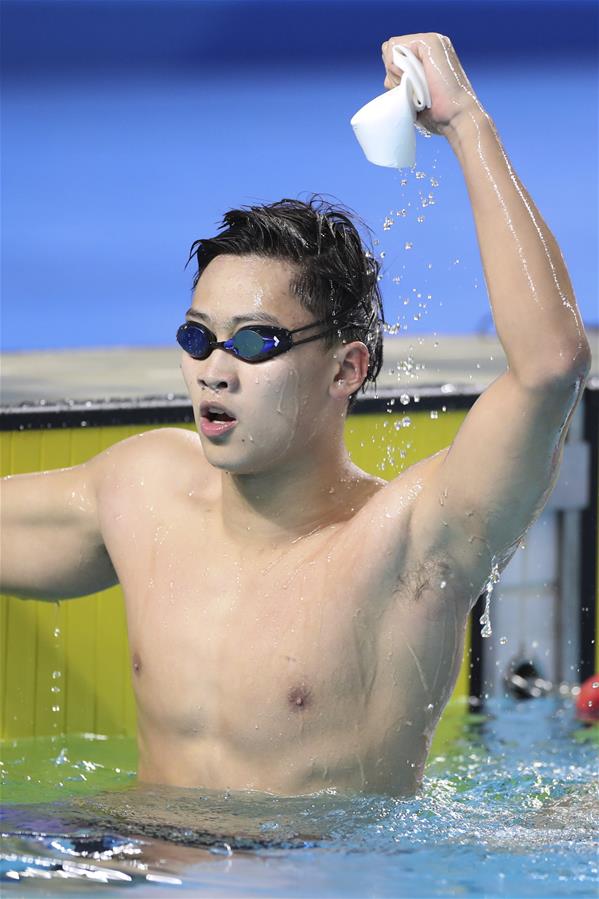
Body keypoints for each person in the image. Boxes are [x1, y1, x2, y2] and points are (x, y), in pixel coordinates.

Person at [0, 33, 590, 797]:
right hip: (137, 857)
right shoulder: (142, 492)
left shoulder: (407, 546)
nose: (214, 368)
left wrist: (466, 124)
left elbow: (550, 367)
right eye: (197, 336)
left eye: (253, 341)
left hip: (310, 873)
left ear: (345, 368)